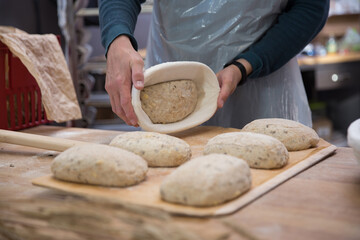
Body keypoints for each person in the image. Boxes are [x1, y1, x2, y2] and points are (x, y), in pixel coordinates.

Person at [98, 0, 329, 129]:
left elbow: (311, 6)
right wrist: (118, 39)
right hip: (168, 84)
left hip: (265, 88)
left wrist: (246, 65)